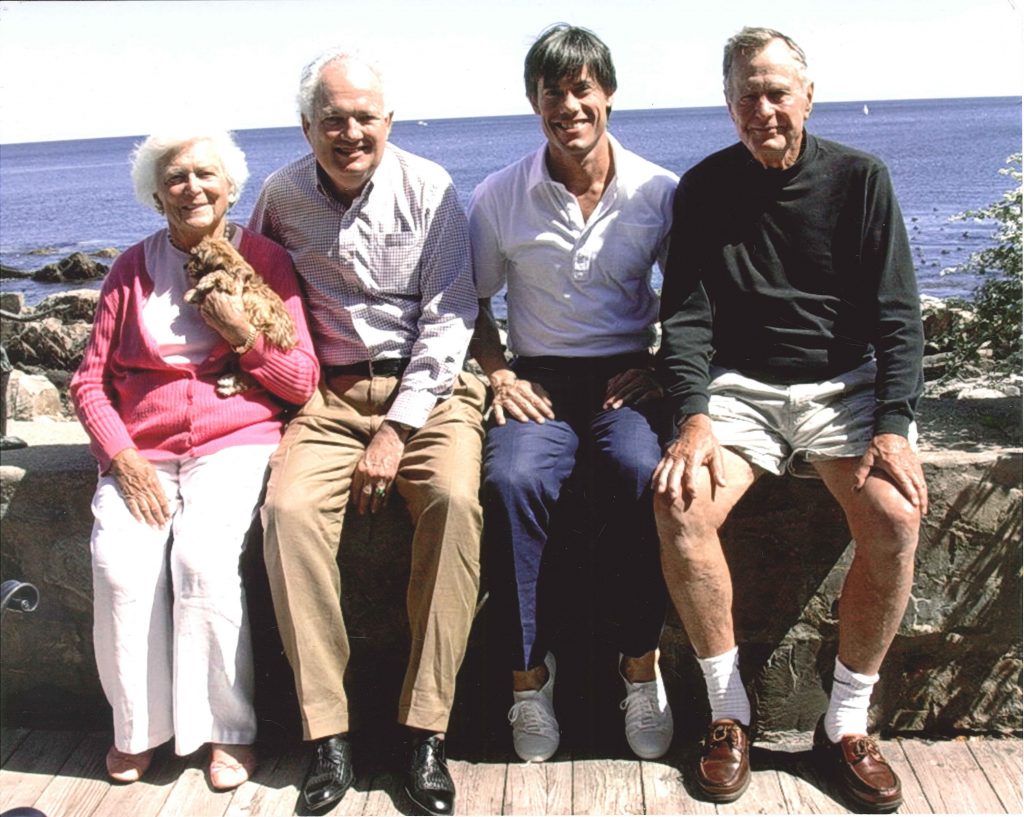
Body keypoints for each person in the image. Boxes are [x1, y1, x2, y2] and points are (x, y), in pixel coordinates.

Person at [654, 27, 926, 811]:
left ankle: (844, 721)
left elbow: (898, 316)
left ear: (808, 94)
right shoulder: (703, 188)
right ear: (729, 104)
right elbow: (688, 319)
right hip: (740, 390)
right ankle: (727, 710)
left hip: (842, 388)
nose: (763, 108)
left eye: (778, 91)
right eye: (748, 94)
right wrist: (694, 416)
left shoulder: (860, 180)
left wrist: (893, 423)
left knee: (895, 516)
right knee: (678, 503)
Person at [248, 49, 485, 816]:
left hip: (432, 391)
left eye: (363, 118)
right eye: (332, 120)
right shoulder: (281, 195)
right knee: (285, 515)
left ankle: (425, 732)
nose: (350, 133)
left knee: (453, 502)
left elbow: (451, 318)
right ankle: (329, 733)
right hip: (328, 395)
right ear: (307, 126)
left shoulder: (431, 188)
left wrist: (398, 429)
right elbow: (260, 292)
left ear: (387, 119)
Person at [70, 131, 319, 790]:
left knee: (202, 560)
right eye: (175, 178)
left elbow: (300, 379)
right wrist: (121, 457)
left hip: (235, 439)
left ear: (232, 187)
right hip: (142, 450)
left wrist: (242, 336)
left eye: (205, 174)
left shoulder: (265, 259)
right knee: (120, 564)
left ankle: (226, 730)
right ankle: (136, 730)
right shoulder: (130, 268)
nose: (192, 188)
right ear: (157, 195)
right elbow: (88, 383)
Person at [468, 24, 677, 763]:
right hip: (540, 380)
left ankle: (639, 667)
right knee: (512, 478)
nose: (569, 105)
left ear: (608, 96)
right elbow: (470, 307)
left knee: (638, 474)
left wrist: (662, 365)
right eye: (552, 92)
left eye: (581, 88)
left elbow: (688, 299)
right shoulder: (499, 196)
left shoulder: (657, 191)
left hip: (627, 376)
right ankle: (529, 679)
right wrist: (499, 374)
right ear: (535, 102)